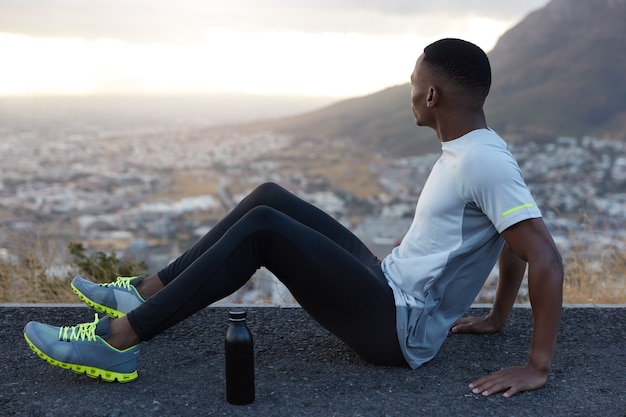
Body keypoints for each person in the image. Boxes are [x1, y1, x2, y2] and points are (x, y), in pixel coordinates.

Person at [23, 38, 563, 398]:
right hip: (390, 283)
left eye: (412, 83)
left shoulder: (481, 159)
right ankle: (142, 292)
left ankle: (117, 341)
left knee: (265, 233)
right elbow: (511, 237)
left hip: (399, 327)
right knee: (269, 198)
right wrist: (493, 319)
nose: (409, 92)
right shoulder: (474, 148)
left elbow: (541, 254)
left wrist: (536, 366)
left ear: (432, 94)